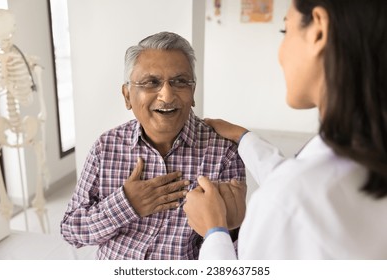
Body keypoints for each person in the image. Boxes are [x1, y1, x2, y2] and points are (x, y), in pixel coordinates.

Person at [183, 0, 387, 259]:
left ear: (318, 31)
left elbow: (294, 196)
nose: (280, 53)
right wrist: (244, 137)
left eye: (285, 31)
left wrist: (214, 231)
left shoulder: (292, 200)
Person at [60, 31, 246, 260]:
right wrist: (126, 204)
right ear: (127, 95)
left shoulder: (224, 154)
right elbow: (71, 231)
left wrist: (233, 231)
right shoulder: (106, 147)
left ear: (193, 92)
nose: (167, 96)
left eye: (180, 82)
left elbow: (229, 258)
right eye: (151, 82)